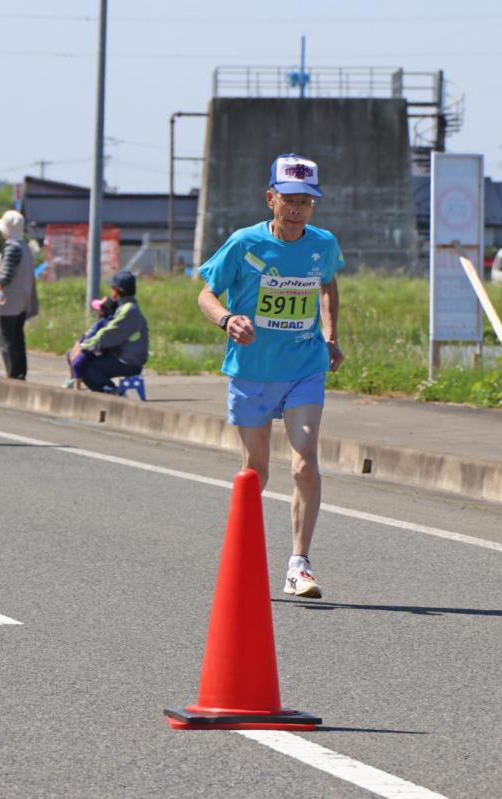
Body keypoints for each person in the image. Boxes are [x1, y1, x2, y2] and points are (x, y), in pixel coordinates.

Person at [196, 153, 345, 599]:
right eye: (289, 199)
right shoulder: (244, 243)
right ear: (271, 198)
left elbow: (328, 284)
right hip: (253, 371)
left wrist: (331, 336)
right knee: (255, 472)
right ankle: (241, 554)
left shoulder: (323, 243)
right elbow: (206, 294)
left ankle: (299, 563)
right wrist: (227, 320)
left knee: (304, 462)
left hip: (305, 367)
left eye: (306, 200)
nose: (298, 208)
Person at [78, 270, 149, 393]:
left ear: (118, 290)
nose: (111, 291)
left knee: (87, 367)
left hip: (128, 362)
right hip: (122, 356)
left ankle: (112, 392)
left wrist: (84, 345)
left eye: (112, 288)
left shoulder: (128, 311)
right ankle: (108, 390)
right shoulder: (124, 307)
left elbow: (109, 335)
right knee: (87, 362)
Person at [0, 210, 38, 380]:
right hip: (23, 299)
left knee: (8, 339)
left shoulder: (11, 247)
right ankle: (20, 372)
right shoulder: (24, 246)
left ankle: (13, 373)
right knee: (18, 338)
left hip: (9, 301)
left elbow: (6, 276)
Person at [64, 296, 117, 389]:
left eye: (99, 309)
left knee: (77, 363)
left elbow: (95, 338)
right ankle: (72, 379)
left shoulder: (106, 323)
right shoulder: (102, 321)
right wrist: (79, 342)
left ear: (103, 311)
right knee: (70, 355)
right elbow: (88, 335)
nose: (98, 311)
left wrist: (81, 346)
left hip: (95, 349)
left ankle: (77, 388)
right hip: (88, 345)